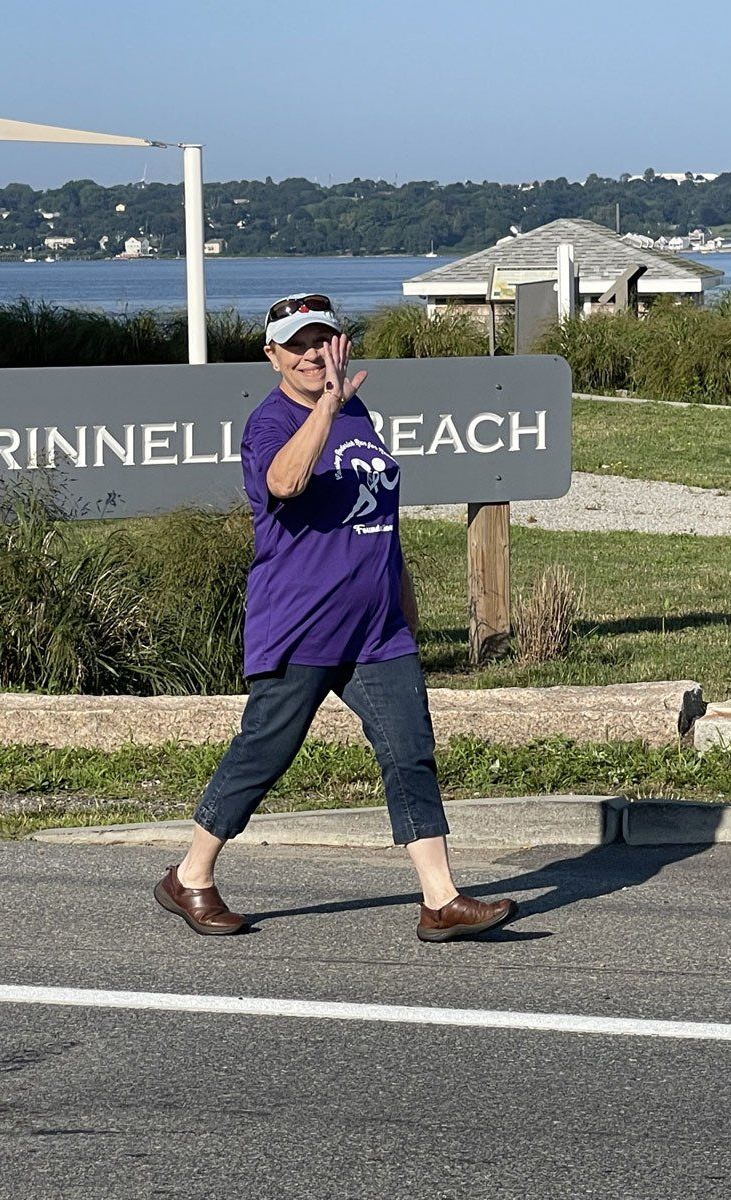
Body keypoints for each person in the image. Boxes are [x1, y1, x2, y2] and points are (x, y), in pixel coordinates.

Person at [154, 293, 518, 942]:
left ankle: (440, 899)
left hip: (377, 630)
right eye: (298, 346)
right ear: (273, 357)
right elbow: (286, 484)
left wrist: (404, 605)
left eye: (322, 341)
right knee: (265, 752)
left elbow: (379, 517)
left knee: (410, 753)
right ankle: (191, 876)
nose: (313, 355)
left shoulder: (358, 415)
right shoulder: (270, 423)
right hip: (300, 627)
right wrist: (325, 404)